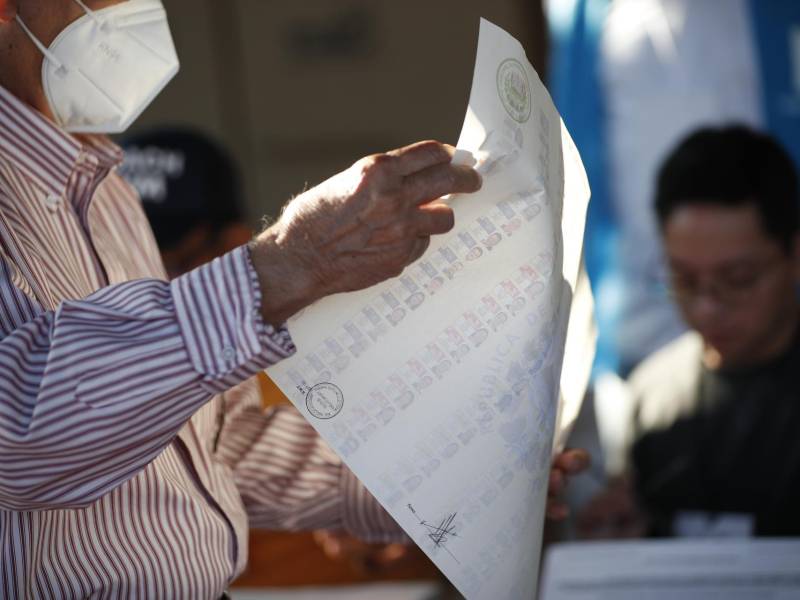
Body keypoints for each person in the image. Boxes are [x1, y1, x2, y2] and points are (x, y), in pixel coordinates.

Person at [0, 1, 586, 597]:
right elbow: (16, 432)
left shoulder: (106, 190)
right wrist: (289, 263)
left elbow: (207, 440)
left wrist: (441, 482)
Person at [578, 125, 800, 539]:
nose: (706, 308)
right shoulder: (653, 398)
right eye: (683, 279)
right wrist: (628, 538)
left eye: (738, 278)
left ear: (794, 254)